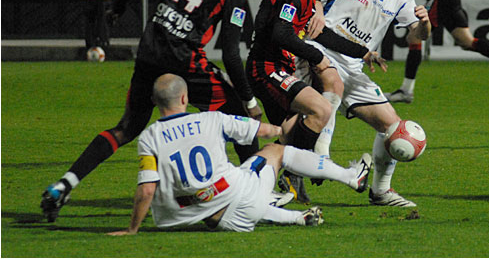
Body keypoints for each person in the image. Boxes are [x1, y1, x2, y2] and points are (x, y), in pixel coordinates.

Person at [41, 0, 266, 222]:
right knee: (240, 116)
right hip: (185, 58)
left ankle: (64, 184)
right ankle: (258, 193)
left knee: (125, 128)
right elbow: (230, 54)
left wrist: (117, 9)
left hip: (150, 51)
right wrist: (250, 101)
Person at [107, 74, 372, 234]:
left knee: (244, 178)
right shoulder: (212, 119)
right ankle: (351, 177)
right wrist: (284, 128)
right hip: (242, 198)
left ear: (155, 102)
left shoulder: (150, 137)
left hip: (212, 218)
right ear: (185, 99)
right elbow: (264, 131)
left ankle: (294, 217)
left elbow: (147, 191)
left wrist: (133, 229)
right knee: (275, 151)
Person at [294, 0, 431, 208]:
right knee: (330, 86)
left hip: (354, 65)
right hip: (320, 48)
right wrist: (317, 7)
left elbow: (415, 36)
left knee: (391, 126)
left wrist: (425, 23)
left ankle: (380, 191)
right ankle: (319, 156)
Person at [246, 0, 386, 204]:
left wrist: (363, 52)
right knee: (321, 109)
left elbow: (322, 35)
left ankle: (258, 188)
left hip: (274, 69)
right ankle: (304, 170)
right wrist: (317, 56)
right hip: (266, 67)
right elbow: (281, 32)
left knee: (289, 136)